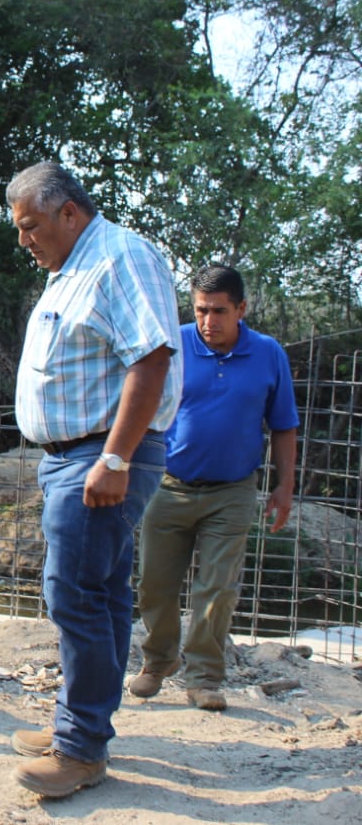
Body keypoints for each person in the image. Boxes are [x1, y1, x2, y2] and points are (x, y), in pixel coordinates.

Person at [6, 162, 182, 798]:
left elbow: (151, 357)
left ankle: (79, 748)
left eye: (31, 226)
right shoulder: (71, 269)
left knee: (73, 592)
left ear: (69, 212)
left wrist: (115, 458)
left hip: (100, 455)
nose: (24, 240)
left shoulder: (119, 257)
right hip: (74, 456)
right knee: (100, 592)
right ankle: (82, 727)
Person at [132, 265, 299, 712]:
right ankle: (158, 661)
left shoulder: (268, 354)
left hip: (233, 490)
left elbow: (284, 425)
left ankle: (204, 677)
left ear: (241, 309)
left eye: (219, 311)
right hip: (167, 485)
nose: (208, 321)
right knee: (155, 583)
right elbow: (139, 403)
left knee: (218, 587)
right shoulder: (173, 345)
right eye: (201, 310)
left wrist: (285, 486)